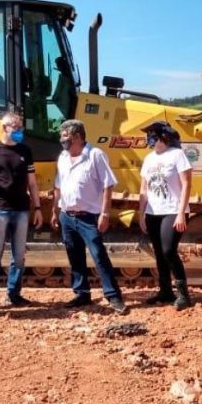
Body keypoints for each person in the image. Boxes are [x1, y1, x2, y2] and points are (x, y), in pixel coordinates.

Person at [50, 119, 128, 314]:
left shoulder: (95, 155)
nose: (62, 139)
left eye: (65, 136)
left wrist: (105, 213)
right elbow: (58, 185)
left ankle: (113, 295)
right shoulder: (63, 157)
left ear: (77, 136)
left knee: (99, 256)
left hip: (88, 217)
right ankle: (82, 293)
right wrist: (54, 210)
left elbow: (107, 184)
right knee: (74, 256)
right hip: (67, 216)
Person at [0, 111, 42, 313]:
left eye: (21, 127)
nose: (20, 130)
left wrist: (38, 207)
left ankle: (14, 294)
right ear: (4, 128)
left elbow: (32, 182)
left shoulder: (25, 150)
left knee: (19, 255)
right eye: (16, 127)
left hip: (21, 209)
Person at [134, 120, 194, 309]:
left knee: (169, 250)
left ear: (162, 137)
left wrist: (181, 213)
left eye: (152, 135)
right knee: (159, 253)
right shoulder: (149, 159)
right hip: (153, 212)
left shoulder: (177, 155)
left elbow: (186, 184)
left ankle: (184, 294)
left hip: (172, 211)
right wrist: (141, 213)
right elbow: (144, 187)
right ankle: (165, 291)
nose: (149, 139)